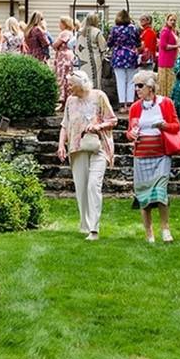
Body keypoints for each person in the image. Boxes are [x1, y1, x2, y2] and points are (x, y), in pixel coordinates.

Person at [56, 69, 118, 240]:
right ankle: (85, 224)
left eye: (71, 85)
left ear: (81, 85)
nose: (68, 87)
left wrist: (98, 126)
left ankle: (94, 230)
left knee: (93, 185)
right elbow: (65, 124)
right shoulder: (70, 101)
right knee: (81, 188)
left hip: (99, 147)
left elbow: (113, 120)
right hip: (77, 148)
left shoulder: (99, 96)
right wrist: (61, 144)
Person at [126, 70, 180, 243]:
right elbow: (129, 132)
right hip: (141, 155)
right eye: (136, 86)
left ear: (150, 87)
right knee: (144, 196)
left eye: (140, 86)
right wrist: (132, 134)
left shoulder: (166, 103)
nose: (137, 89)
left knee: (161, 192)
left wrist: (164, 126)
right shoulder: (135, 107)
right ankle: (149, 232)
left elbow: (176, 126)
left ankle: (165, 229)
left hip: (161, 154)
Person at [108, 10, 141, 111]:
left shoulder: (115, 29)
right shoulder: (133, 28)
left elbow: (109, 43)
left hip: (118, 56)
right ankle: (130, 105)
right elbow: (138, 43)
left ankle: (122, 105)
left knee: (120, 81)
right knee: (131, 81)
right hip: (131, 56)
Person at [76, 13, 108, 93]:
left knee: (83, 79)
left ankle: (83, 96)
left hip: (82, 60)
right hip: (94, 61)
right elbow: (103, 47)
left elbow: (76, 47)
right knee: (95, 81)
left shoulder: (80, 32)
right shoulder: (97, 32)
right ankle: (95, 98)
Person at [53, 16, 77, 104]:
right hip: (68, 55)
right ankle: (65, 102)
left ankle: (64, 100)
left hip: (64, 57)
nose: (59, 25)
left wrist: (55, 45)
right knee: (67, 77)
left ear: (64, 24)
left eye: (60, 23)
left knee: (63, 77)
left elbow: (55, 44)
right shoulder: (71, 33)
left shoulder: (65, 33)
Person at [156, 13, 180, 97]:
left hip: (172, 59)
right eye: (171, 20)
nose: (173, 22)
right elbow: (164, 45)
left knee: (171, 82)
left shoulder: (173, 31)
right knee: (165, 82)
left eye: (174, 20)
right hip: (166, 61)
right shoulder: (165, 31)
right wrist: (176, 46)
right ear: (167, 21)